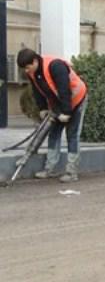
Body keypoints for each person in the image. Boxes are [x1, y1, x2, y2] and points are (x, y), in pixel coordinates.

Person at [17, 48, 88, 183]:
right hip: (59, 103)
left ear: (35, 61)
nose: (26, 71)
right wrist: (43, 108)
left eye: (27, 67)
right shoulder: (32, 73)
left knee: (72, 135)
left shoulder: (55, 66)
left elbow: (64, 90)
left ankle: (71, 172)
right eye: (24, 69)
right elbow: (38, 91)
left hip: (77, 99)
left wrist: (66, 113)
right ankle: (49, 169)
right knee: (54, 133)